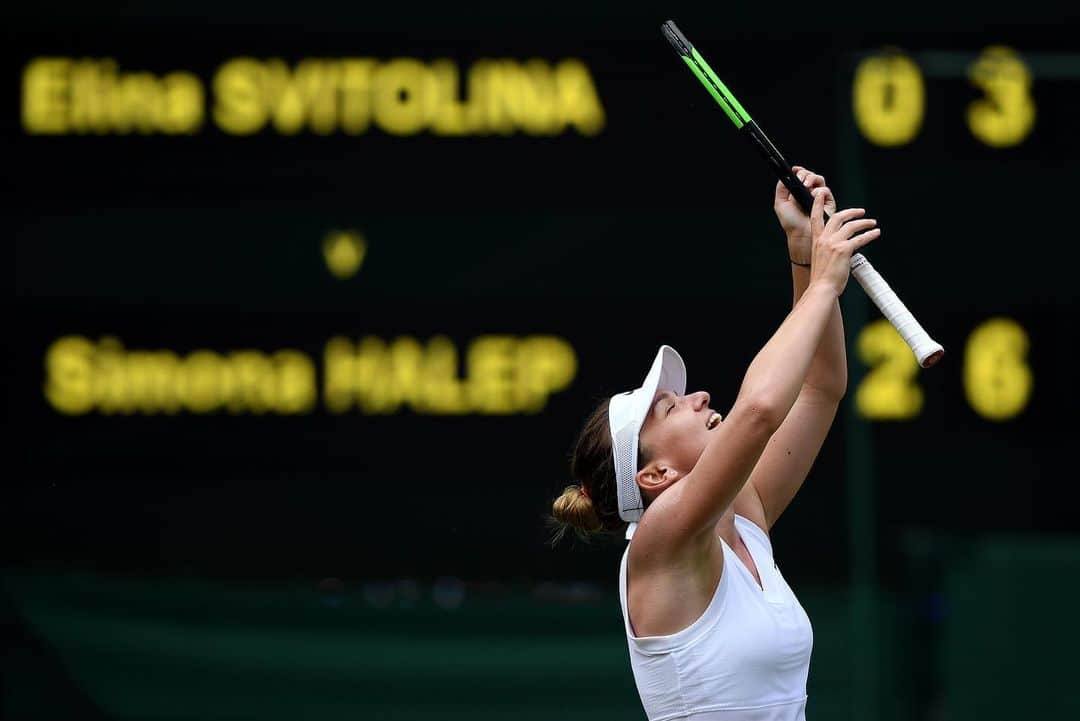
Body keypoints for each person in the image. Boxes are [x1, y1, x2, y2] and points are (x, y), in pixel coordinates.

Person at [551, 168, 879, 721]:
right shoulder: (660, 540)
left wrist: (802, 255)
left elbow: (820, 388)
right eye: (670, 407)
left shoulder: (743, 515)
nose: (699, 396)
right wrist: (825, 283)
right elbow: (759, 410)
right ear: (654, 477)